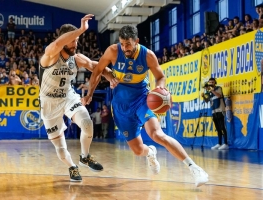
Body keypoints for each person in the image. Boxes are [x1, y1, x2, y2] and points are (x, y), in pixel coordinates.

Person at [82, 25, 208, 187]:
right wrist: (90, 93)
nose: (125, 48)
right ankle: (150, 152)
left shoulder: (147, 55)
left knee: (157, 134)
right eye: (122, 44)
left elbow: (160, 76)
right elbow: (97, 71)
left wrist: (159, 88)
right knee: (138, 150)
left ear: (137, 41)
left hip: (142, 100)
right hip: (121, 107)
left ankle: (195, 168)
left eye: (128, 44)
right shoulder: (113, 51)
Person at [39, 14, 114, 182]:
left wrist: (110, 76)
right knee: (60, 147)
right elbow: (56, 44)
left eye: (77, 40)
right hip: (49, 102)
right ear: (64, 40)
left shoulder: (77, 58)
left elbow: (97, 66)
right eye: (73, 40)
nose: (76, 43)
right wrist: (81, 29)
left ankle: (85, 156)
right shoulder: (50, 56)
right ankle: (72, 167)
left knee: (87, 123)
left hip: (68, 96)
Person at [202, 78, 228, 150]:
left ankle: (225, 143)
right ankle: (219, 143)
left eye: (212, 82)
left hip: (220, 109)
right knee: (218, 128)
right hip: (214, 111)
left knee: (222, 127)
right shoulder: (209, 92)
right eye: (210, 82)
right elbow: (207, 101)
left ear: (215, 83)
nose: (211, 83)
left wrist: (211, 90)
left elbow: (219, 95)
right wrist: (203, 96)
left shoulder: (218, 88)